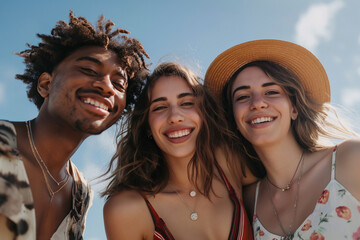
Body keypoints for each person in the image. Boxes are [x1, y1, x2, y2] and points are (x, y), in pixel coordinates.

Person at [0, 10, 149, 240]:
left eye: (119, 84)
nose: (107, 87)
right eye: (89, 70)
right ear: (46, 84)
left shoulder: (81, 193)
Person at [204, 39, 360, 240]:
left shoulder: (350, 159)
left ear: (294, 108)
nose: (257, 103)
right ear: (233, 117)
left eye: (271, 92)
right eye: (242, 97)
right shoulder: (249, 201)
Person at [102, 62, 254, 239]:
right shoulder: (127, 209)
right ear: (147, 127)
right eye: (160, 107)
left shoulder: (229, 163)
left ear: (204, 114)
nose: (174, 117)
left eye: (187, 103)